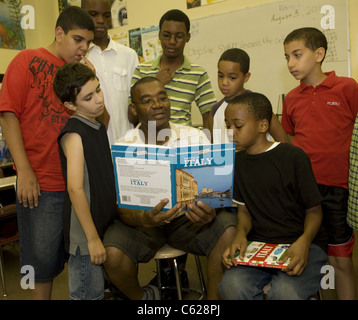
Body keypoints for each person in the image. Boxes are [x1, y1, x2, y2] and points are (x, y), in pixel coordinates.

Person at [103, 77, 237, 300]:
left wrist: (210, 211)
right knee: (111, 251)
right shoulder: (124, 145)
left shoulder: (194, 138)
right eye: (147, 100)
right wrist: (144, 219)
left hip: (188, 220)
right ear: (134, 109)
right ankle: (144, 299)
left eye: (162, 97)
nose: (157, 104)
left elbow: (215, 191)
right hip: (143, 222)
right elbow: (118, 205)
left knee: (228, 228)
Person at [0, 6, 95, 300]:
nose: (83, 48)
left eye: (88, 43)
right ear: (59, 33)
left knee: (84, 255)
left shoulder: (83, 71)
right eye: (78, 40)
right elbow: (7, 114)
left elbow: (94, 119)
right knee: (39, 264)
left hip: (79, 181)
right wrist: (24, 170)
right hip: (42, 182)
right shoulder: (26, 60)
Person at [219, 92, 328, 300]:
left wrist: (304, 242)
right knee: (231, 286)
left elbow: (314, 211)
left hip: (305, 241)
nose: (231, 132)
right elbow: (244, 210)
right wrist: (240, 234)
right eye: (227, 126)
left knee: (285, 292)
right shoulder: (238, 162)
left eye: (238, 126)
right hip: (261, 244)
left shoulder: (293, 157)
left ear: (262, 126)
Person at [282, 27, 358, 300]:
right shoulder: (291, 99)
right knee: (306, 258)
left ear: (319, 54)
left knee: (341, 263)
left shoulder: (347, 88)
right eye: (287, 56)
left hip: (339, 190)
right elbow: (290, 139)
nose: (290, 63)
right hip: (304, 193)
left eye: (297, 55)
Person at [54, 63, 117, 300]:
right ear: (70, 106)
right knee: (87, 295)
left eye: (98, 90)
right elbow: (75, 188)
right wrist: (91, 239)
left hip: (98, 225)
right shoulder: (74, 133)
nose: (99, 99)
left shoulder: (96, 125)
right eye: (88, 97)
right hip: (84, 235)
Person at [129, 9, 216, 131]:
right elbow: (132, 116)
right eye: (166, 35)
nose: (172, 42)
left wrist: (207, 146)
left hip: (183, 143)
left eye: (179, 36)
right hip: (151, 143)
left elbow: (209, 116)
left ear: (188, 37)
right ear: (159, 35)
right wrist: (156, 83)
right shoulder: (141, 70)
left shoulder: (198, 73)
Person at [81, 0, 139, 145]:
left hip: (127, 145)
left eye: (106, 15)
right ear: (82, 15)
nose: (101, 21)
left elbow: (137, 104)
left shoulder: (129, 55)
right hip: (94, 146)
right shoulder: (79, 57)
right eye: (93, 14)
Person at [211, 48, 289, 144]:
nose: (224, 82)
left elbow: (283, 141)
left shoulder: (257, 104)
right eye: (221, 76)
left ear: (246, 77)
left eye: (232, 78)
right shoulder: (216, 109)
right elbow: (217, 147)